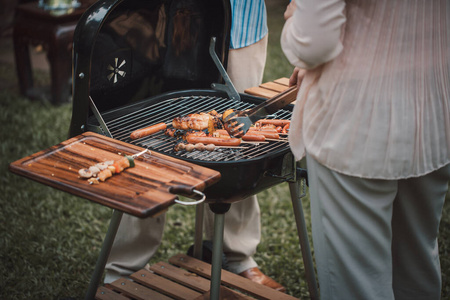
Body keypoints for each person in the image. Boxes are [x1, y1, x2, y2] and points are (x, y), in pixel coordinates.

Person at [104, 0, 286, 292]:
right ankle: (125, 266)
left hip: (242, 25)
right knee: (150, 145)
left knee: (238, 144)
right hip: (164, 17)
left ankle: (233, 254)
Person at [281, 0, 450, 299]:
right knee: (417, 268)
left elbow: (313, 43)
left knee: (358, 286)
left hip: (354, 124)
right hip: (436, 113)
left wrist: (295, 16)